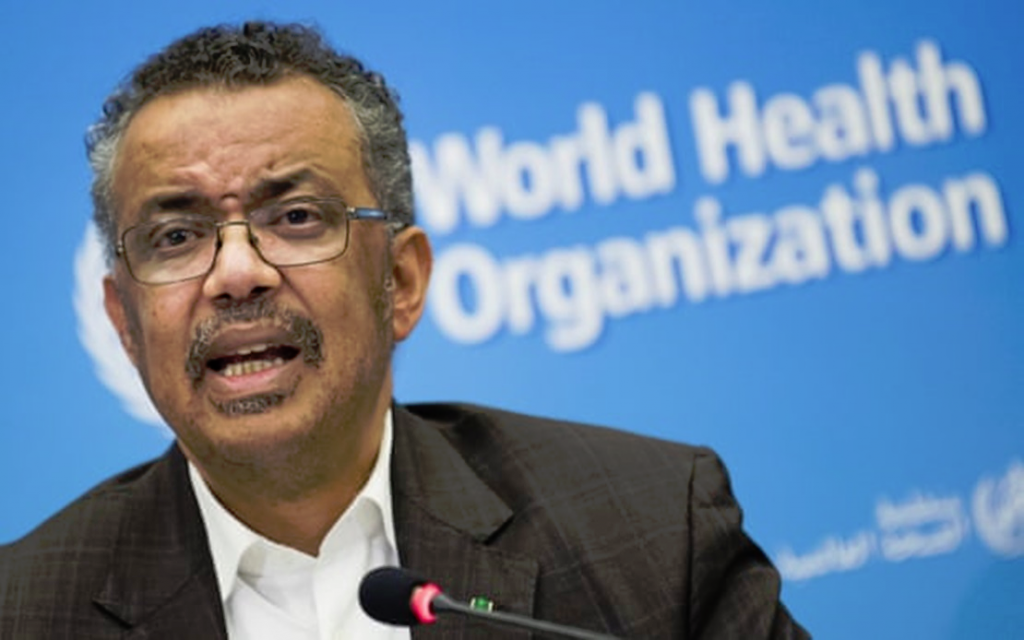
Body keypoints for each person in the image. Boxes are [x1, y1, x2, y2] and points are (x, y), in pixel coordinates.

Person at [0, 22, 809, 639]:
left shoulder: (652, 533)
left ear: (402, 282)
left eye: (296, 217)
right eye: (176, 236)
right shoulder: (25, 613)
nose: (237, 273)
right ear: (125, 323)